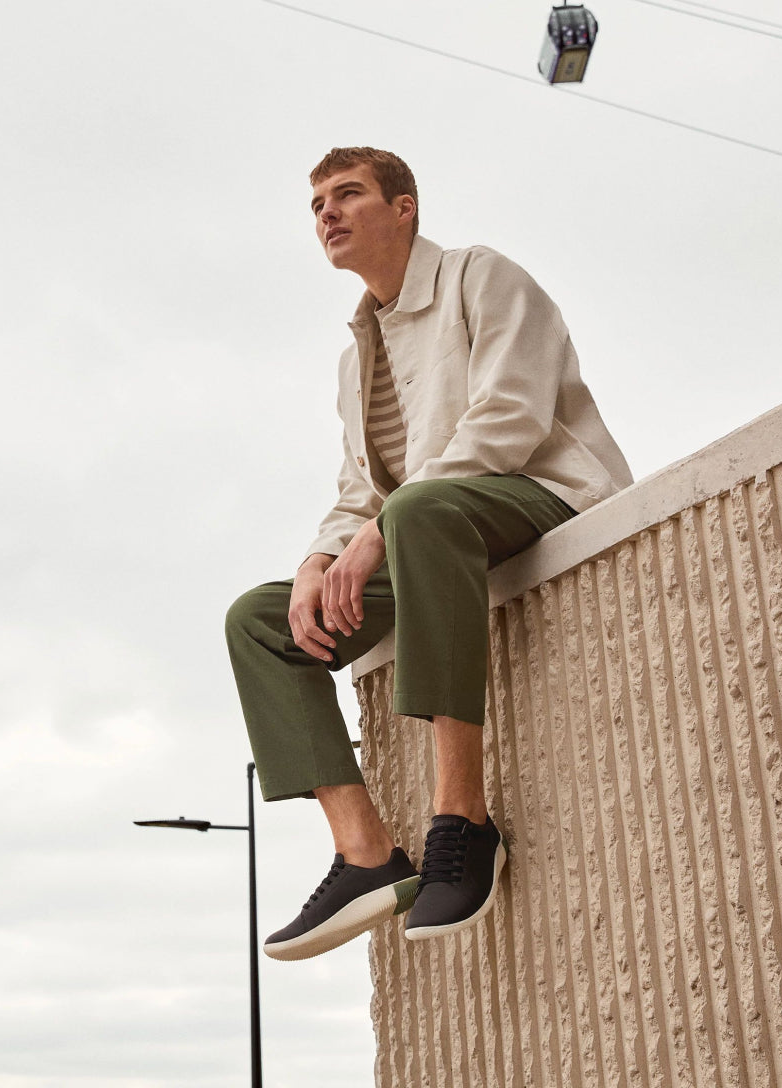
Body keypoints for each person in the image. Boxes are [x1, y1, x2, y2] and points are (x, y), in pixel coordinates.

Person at [226, 146, 632, 962]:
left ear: (403, 207)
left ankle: (463, 820)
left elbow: (511, 417)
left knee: (416, 509)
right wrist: (317, 562)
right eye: (317, 205)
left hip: (541, 497)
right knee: (260, 621)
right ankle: (365, 856)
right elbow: (360, 488)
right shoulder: (356, 357)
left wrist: (380, 530)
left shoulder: (481, 277)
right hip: (427, 535)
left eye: (348, 195)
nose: (327, 214)